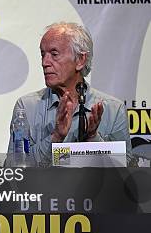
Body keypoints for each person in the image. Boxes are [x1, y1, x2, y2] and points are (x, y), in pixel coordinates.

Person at [8, 22, 132, 166]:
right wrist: (55, 137)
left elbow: (126, 170)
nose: (44, 62)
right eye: (43, 54)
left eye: (54, 54)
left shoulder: (113, 109)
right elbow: (13, 168)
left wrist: (93, 139)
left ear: (80, 60)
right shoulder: (26, 107)